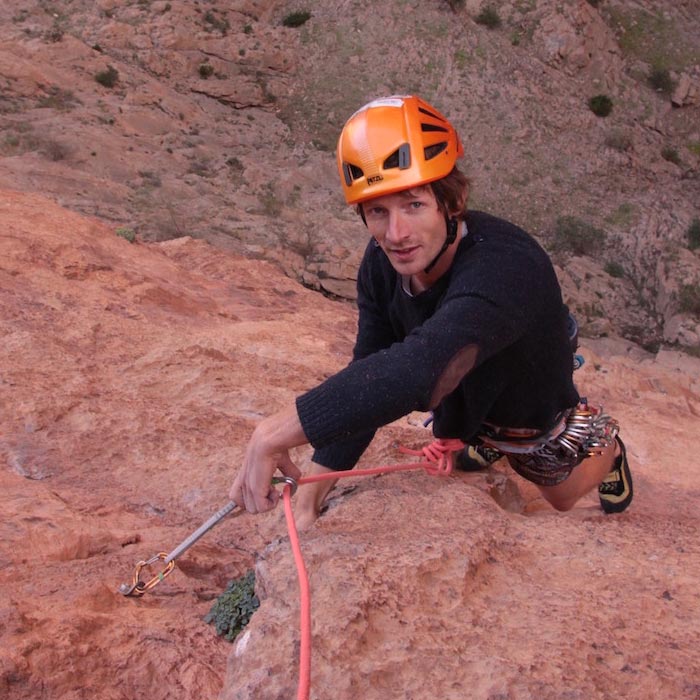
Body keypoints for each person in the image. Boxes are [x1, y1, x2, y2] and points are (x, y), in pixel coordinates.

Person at [230, 95, 633, 527]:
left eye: (414, 205)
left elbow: (421, 368)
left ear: (451, 199)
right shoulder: (382, 266)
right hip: (459, 381)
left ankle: (607, 449)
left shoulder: (507, 267)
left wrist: (274, 432)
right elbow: (371, 368)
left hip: (520, 388)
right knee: (461, 434)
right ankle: (475, 431)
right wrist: (309, 500)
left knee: (563, 495)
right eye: (378, 211)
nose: (396, 233)